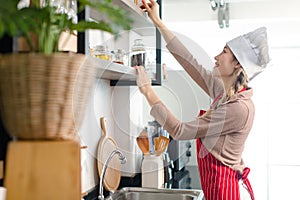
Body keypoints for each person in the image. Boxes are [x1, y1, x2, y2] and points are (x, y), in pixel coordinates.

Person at [135, 0, 270, 199]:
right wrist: (158, 22)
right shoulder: (226, 94)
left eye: (224, 52)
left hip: (223, 192)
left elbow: (179, 131)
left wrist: (147, 90)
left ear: (236, 65)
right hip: (215, 188)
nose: (216, 56)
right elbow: (191, 63)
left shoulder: (238, 109)